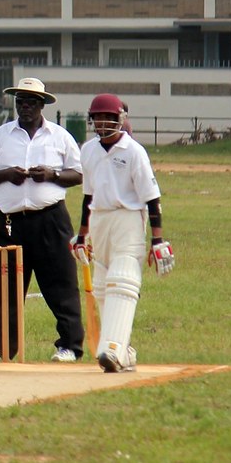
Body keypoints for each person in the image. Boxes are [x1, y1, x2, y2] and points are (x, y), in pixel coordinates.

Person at [0, 77, 84, 363]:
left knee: (61, 283)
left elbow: (79, 174)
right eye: (20, 101)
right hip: (8, 222)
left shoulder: (60, 136)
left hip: (50, 219)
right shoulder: (0, 136)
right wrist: (6, 174)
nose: (25, 107)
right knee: (4, 288)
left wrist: (52, 175)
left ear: (42, 104)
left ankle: (70, 346)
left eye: (31, 102)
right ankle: (0, 349)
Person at [71, 94, 173, 373]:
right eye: (98, 117)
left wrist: (157, 239)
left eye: (109, 117)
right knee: (103, 286)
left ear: (120, 119)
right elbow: (87, 197)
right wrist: (82, 235)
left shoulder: (134, 151)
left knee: (123, 278)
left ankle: (112, 347)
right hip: (100, 220)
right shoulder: (88, 150)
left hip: (128, 218)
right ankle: (124, 352)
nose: (103, 122)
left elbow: (152, 198)